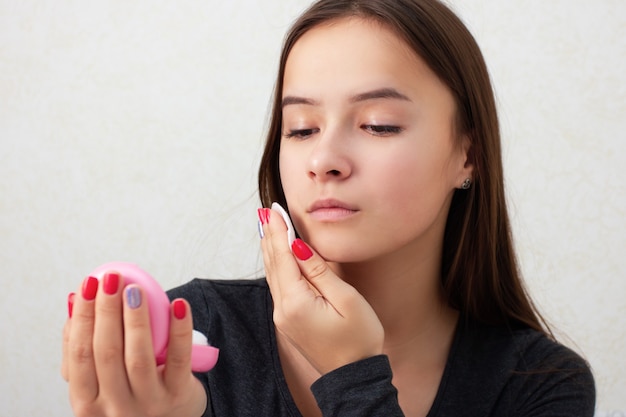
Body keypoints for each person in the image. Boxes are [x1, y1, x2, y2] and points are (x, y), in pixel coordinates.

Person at [61, 0, 596, 416]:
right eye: (301, 129)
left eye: (378, 124)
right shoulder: (190, 337)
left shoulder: (539, 385)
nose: (323, 159)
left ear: (468, 155)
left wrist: (352, 374)